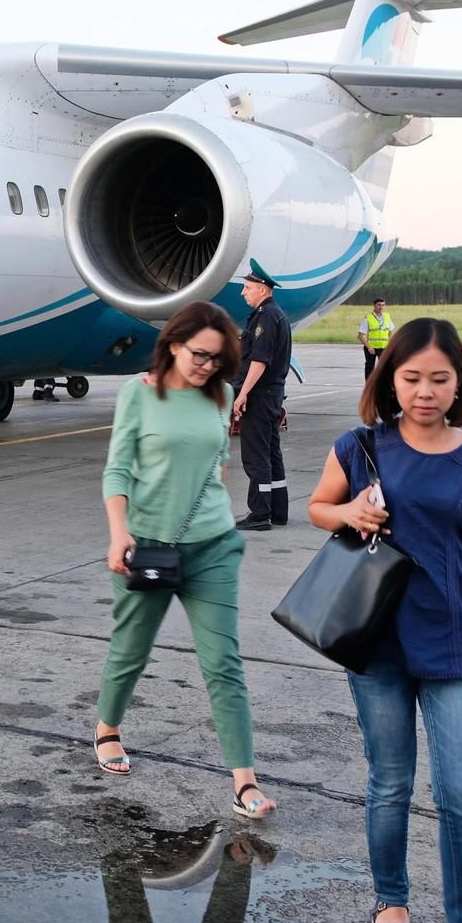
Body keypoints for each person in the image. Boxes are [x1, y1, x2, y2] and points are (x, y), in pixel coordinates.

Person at [305, 317, 462, 923]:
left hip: (453, 641)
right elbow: (317, 507)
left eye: (439, 378)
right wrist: (349, 513)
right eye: (411, 378)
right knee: (391, 780)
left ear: (460, 383)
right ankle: (391, 899)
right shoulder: (361, 445)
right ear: (389, 380)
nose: (425, 391)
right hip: (376, 640)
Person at [96, 301, 275, 820]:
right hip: (147, 544)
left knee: (223, 663)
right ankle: (107, 728)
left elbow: (218, 465)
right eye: (200, 355)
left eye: (218, 359)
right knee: (131, 650)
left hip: (213, 548)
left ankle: (244, 781)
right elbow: (117, 470)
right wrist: (119, 532)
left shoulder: (220, 395)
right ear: (174, 344)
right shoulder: (138, 393)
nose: (208, 366)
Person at [232, 263, 292, 530]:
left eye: (248, 288)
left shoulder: (265, 317)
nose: (243, 292)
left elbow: (259, 360)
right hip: (272, 394)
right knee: (271, 452)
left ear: (262, 290)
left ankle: (259, 514)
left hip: (259, 395)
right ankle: (278, 510)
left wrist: (242, 394)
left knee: (256, 454)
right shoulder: (276, 314)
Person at [358, 297, 394, 378]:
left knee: (385, 367)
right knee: (370, 368)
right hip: (371, 348)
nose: (381, 307)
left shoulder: (387, 316)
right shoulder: (368, 318)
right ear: (374, 305)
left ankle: (384, 384)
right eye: (379, 305)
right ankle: (369, 384)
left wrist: (389, 344)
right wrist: (369, 347)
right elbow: (360, 336)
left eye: (383, 305)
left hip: (384, 347)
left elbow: (390, 331)